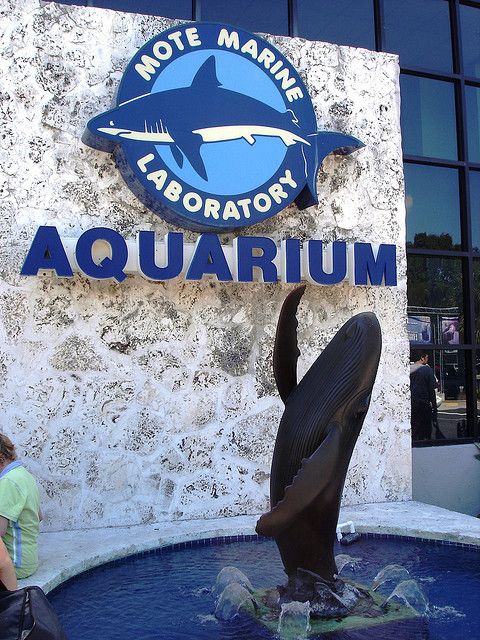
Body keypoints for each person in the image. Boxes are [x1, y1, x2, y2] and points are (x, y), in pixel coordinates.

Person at [0, 434, 40, 579]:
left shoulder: (8, 482)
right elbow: (39, 516)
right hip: (29, 560)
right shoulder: (24, 475)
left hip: (14, 565)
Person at [410, 350, 438, 441]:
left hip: (411, 404)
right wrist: (434, 407)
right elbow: (432, 390)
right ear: (422, 358)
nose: (427, 359)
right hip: (424, 404)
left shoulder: (407, 369)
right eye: (427, 357)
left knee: (414, 429)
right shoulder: (427, 370)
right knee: (425, 431)